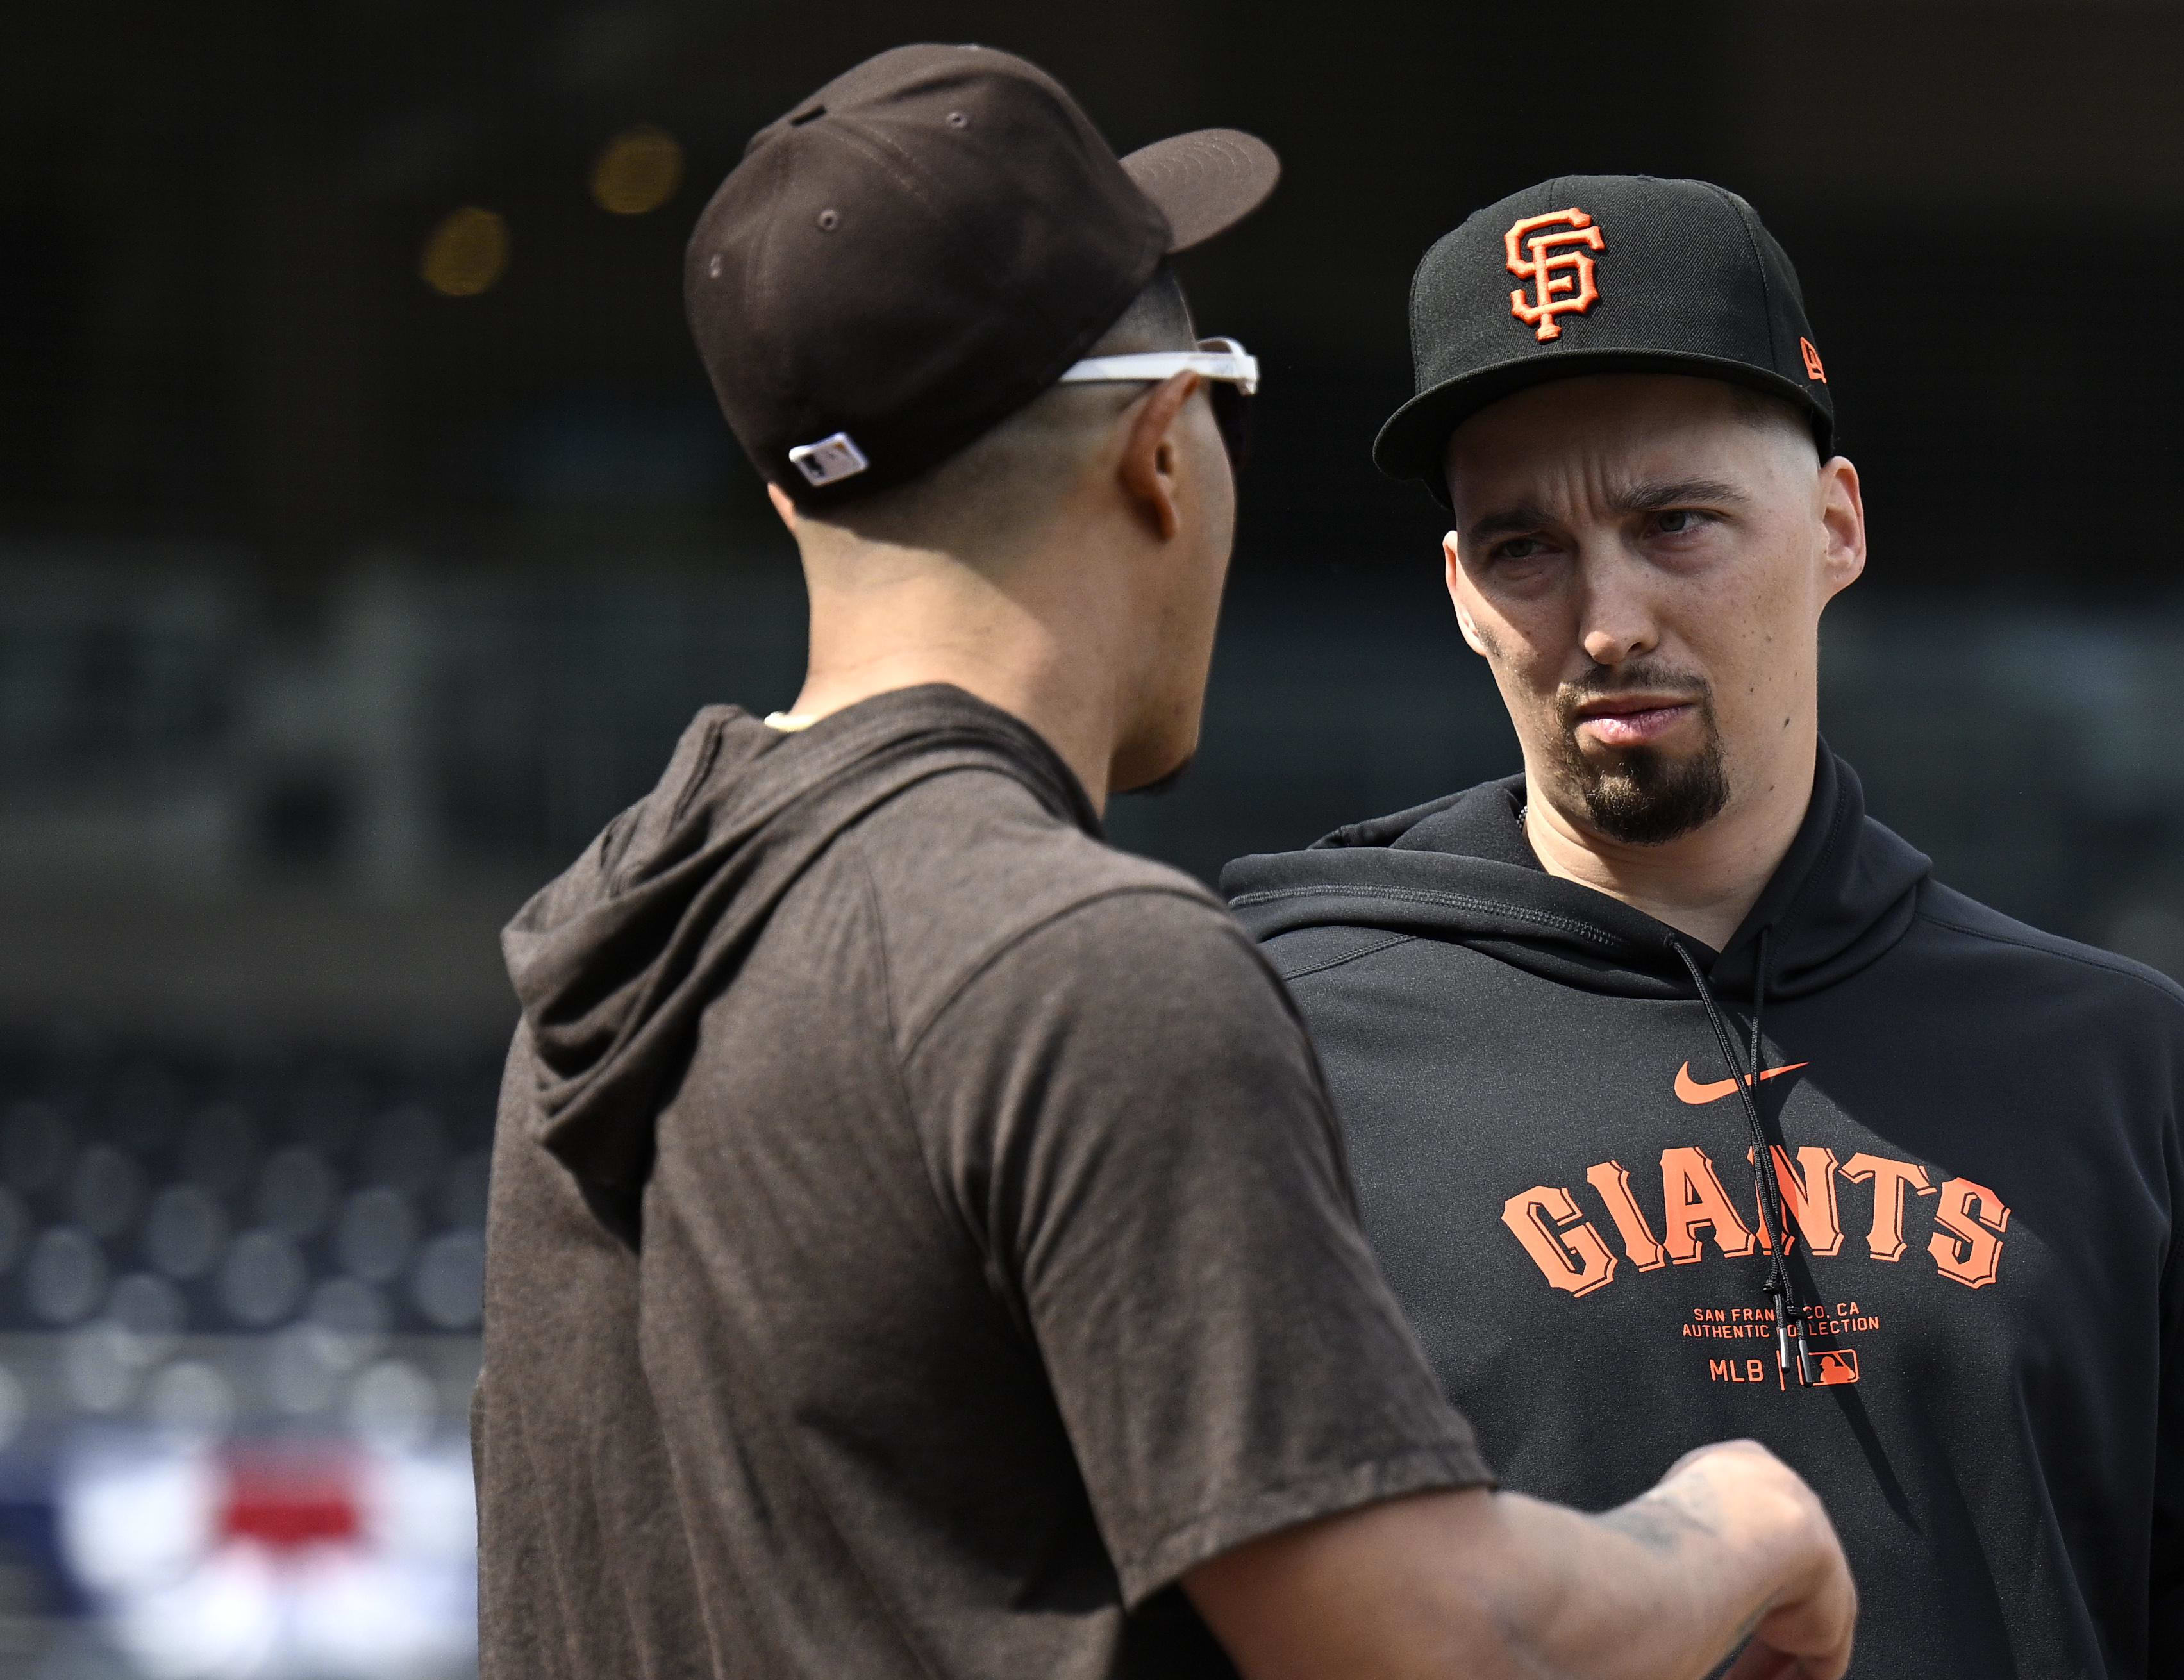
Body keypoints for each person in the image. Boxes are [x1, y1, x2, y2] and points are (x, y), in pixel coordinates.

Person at [1222, 173, 2184, 1678]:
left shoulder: (2119, 1069)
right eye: (1524, 547)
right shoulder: (1281, 1045)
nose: (1606, 614)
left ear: (1835, 526)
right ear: (1455, 588)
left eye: (1676, 522)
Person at [473, 63, 1853, 1680]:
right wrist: (1730, 1526)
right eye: (1226, 401)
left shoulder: (626, 932)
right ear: (1157, 448)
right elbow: (1427, 1644)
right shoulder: (1080, 963)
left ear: (795, 496)